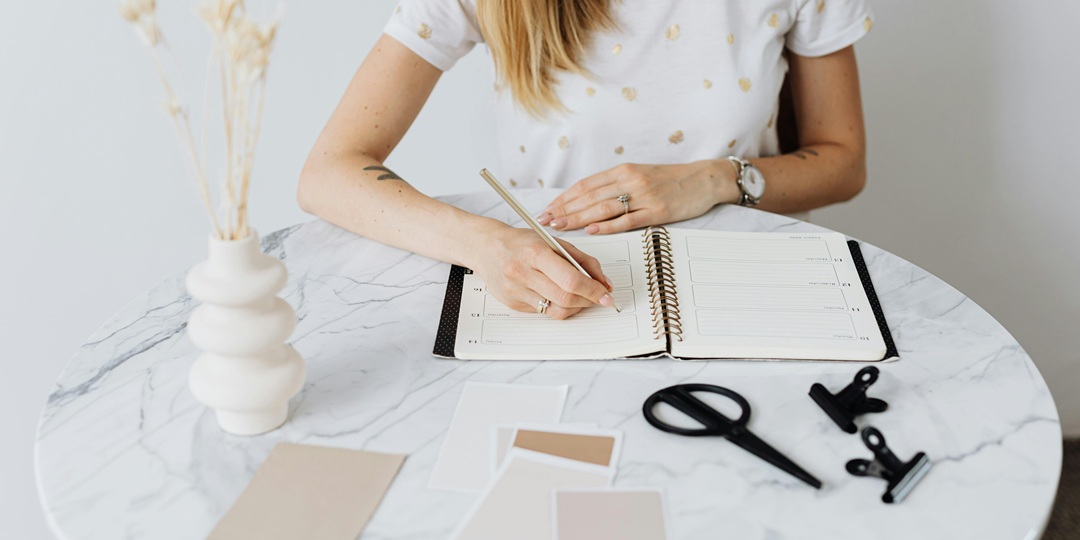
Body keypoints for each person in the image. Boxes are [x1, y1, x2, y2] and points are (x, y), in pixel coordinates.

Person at [298, 0, 872, 319]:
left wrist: (713, 179)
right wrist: (488, 246)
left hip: (747, 288)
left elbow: (842, 165)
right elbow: (329, 172)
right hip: (558, 295)